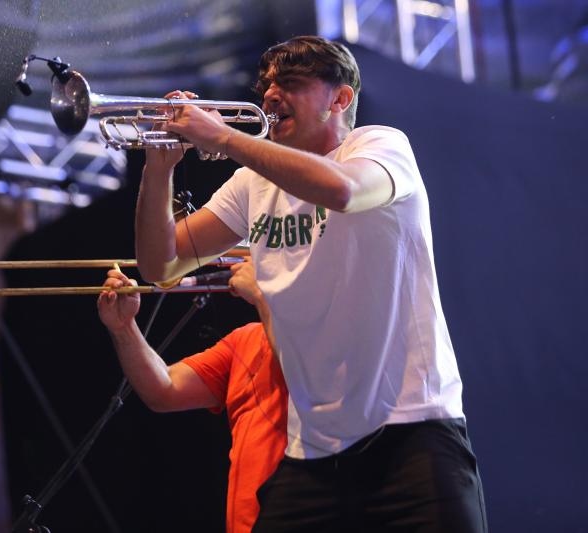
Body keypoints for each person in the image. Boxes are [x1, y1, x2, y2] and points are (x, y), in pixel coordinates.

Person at [134, 35, 487, 532]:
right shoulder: (252, 183)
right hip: (314, 450)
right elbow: (160, 265)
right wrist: (159, 169)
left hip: (412, 433)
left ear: (340, 99)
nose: (270, 94)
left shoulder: (379, 145)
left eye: (292, 83)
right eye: (267, 85)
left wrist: (225, 139)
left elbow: (342, 191)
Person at [97, 260, 288, 533]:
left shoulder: (331, 342)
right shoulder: (246, 339)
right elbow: (164, 390)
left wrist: (262, 296)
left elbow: (302, 374)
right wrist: (124, 327)